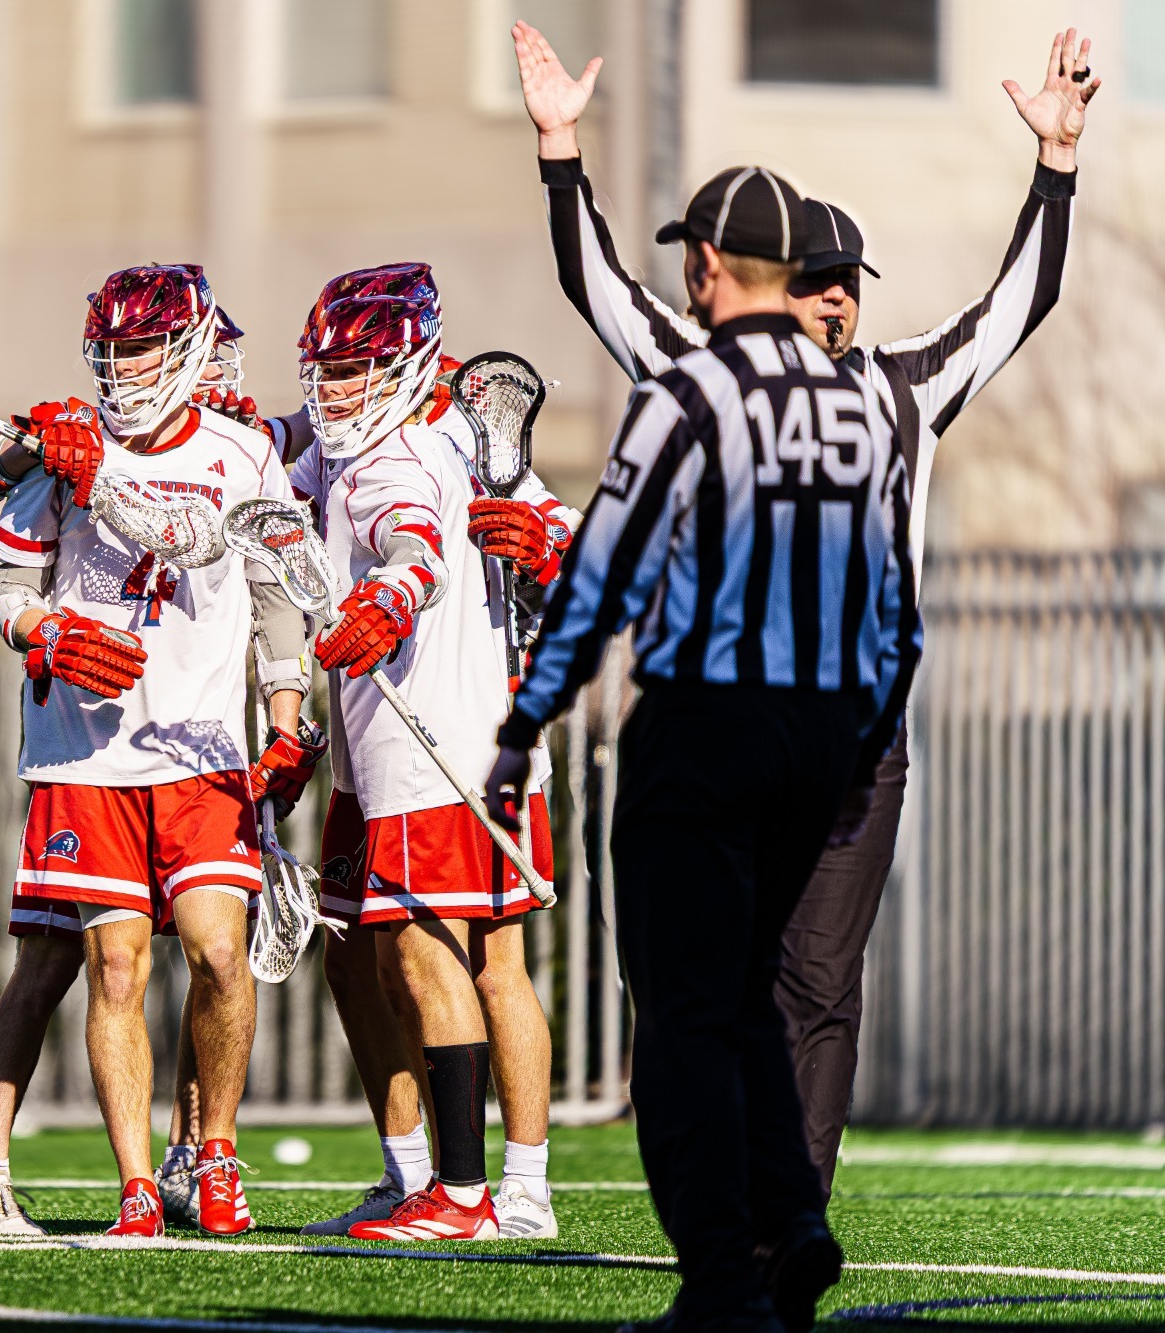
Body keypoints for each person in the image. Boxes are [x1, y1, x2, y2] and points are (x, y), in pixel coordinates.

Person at [512, 20, 1092, 1199]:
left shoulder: (903, 387)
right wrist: (560, 152)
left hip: (851, 742)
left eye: (844, 283)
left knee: (818, 986)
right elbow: (600, 293)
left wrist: (1056, 164)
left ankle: (784, 1218)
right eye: (810, 279)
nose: (831, 299)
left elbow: (1014, 303)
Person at [486, 164, 921, 1333]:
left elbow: (601, 569)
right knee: (748, 994)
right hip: (820, 733)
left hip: (706, 723)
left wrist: (524, 723)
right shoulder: (862, 408)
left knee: (680, 1009)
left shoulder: (690, 387)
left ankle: (721, 1274)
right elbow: (893, 605)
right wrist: (859, 746)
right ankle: (794, 1215)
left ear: (707, 267)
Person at [0, 300, 322, 1236]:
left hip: (202, 752)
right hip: (88, 752)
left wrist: (286, 715)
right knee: (106, 965)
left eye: (146, 348)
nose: (127, 367)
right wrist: (49, 634)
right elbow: (5, 577)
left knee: (219, 956)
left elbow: (275, 590)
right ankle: (134, 1185)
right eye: (115, 349)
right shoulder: (66, 444)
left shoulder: (243, 452)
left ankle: (210, 1154)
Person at [279, 267, 578, 1239]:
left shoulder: (393, 458)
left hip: (433, 744)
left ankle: (463, 1191)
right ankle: (494, 1186)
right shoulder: (440, 436)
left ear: (409, 363)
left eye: (355, 368)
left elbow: (417, 550)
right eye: (327, 369)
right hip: (437, 742)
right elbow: (266, 472)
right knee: (395, 957)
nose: (336, 388)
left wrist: (399, 593)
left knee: (426, 951)